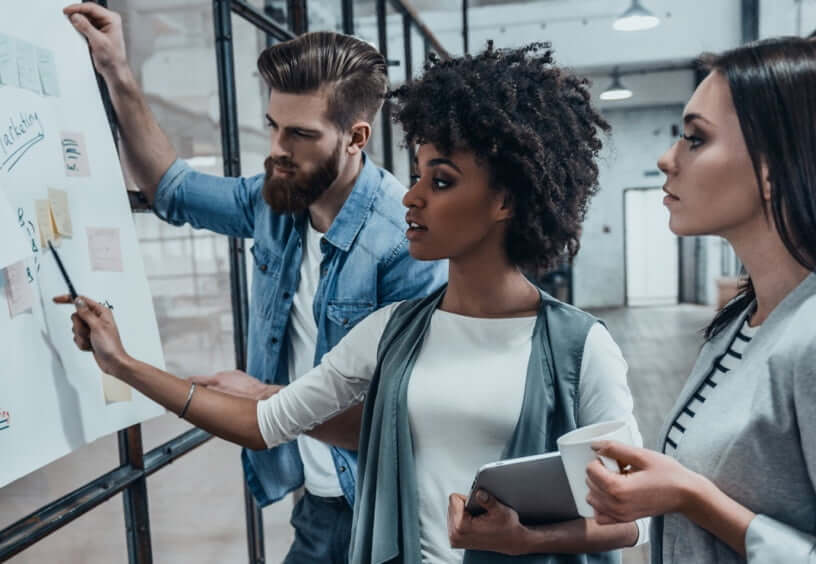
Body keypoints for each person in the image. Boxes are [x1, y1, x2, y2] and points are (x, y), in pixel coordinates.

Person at [59, 42, 647, 563]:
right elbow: (173, 190)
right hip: (346, 511)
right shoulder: (376, 309)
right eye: (272, 127)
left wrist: (528, 540)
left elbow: (631, 518)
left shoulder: (569, 340)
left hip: (363, 488)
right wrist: (123, 365)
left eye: (438, 181)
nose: (412, 197)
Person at [62, 4, 446, 563]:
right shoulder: (277, 202)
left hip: (389, 506)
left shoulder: (404, 241)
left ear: (356, 136)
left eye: (299, 134)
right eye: (272, 126)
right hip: (317, 497)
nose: (276, 150)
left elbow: (400, 420)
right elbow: (172, 190)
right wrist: (117, 72)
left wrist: (264, 398)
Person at [582, 37, 816, 563]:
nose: (667, 159)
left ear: (773, 169)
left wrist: (692, 497)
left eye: (695, 139)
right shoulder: (742, 322)